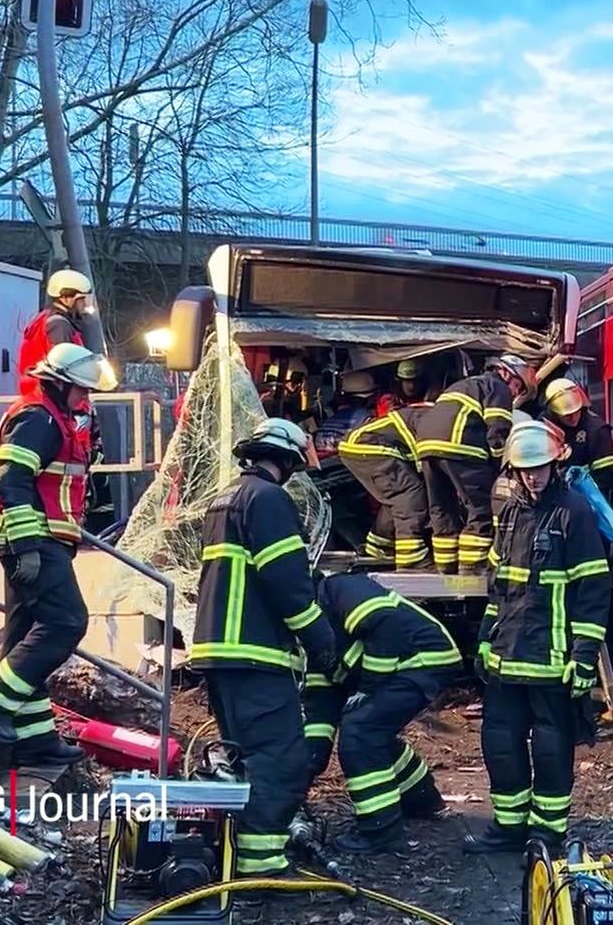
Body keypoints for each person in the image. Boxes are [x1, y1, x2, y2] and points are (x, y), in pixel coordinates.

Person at [191, 417, 339, 880]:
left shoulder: (226, 497)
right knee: (281, 759)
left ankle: (239, 852)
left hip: (219, 651)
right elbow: (286, 582)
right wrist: (321, 639)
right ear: (288, 460)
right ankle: (260, 865)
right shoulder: (269, 499)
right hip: (255, 651)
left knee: (245, 756)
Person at [465, 420, 610, 855]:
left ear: (554, 464)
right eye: (525, 469)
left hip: (552, 660)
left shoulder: (574, 513)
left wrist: (583, 657)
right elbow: (500, 587)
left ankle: (547, 833)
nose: (533, 476)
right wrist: (485, 638)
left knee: (551, 749)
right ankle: (509, 829)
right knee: (500, 743)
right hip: (507, 658)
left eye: (540, 467)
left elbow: (593, 590)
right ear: (513, 470)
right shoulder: (510, 514)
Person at [0, 342, 117, 765]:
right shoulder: (38, 419)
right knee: (66, 622)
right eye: (81, 390)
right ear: (58, 384)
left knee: (24, 636)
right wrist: (26, 546)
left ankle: (32, 739)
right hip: (33, 540)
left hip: (41, 539)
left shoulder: (52, 418)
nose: (85, 398)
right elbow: (12, 481)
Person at [314, 570, 459, 853]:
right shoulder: (312, 628)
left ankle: (380, 832)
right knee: (374, 732)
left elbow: (384, 620)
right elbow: (321, 696)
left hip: (422, 658)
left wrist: (369, 687)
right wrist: (312, 756)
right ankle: (422, 800)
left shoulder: (340, 589)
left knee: (361, 732)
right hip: (402, 667)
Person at [415, 353, 534, 575]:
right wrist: (500, 467)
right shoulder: (497, 387)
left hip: (426, 448)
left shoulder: (465, 385)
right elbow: (498, 430)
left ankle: (446, 569)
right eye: (517, 386)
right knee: (481, 510)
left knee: (442, 509)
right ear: (505, 373)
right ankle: (472, 571)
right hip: (460, 448)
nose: (515, 393)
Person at [337, 395, 430, 569]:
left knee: (395, 499)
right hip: (368, 445)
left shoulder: (431, 412)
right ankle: (412, 558)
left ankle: (379, 546)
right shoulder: (434, 417)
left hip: (357, 444)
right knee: (410, 494)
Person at [17, 270, 93, 402]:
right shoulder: (59, 325)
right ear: (65, 298)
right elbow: (64, 365)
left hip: (39, 395)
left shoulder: (46, 319)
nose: (84, 306)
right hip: (54, 397)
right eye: (81, 300)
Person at [539, 379, 613, 498]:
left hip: (587, 497)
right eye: (566, 415)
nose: (573, 418)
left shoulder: (597, 430)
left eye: (576, 411)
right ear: (554, 412)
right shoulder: (542, 428)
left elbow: (607, 475)